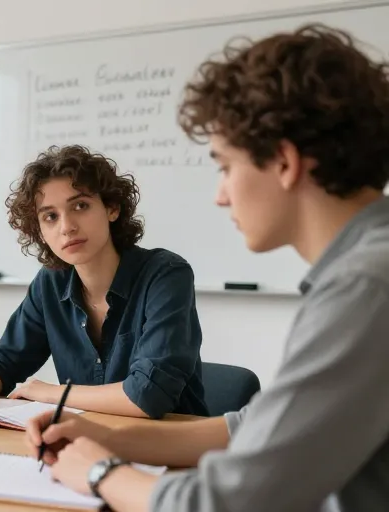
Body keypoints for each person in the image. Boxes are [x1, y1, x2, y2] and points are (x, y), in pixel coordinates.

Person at [25, 24, 389, 511]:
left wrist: (98, 472)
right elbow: (255, 429)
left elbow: (227, 502)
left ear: (283, 162)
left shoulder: (365, 286)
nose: (220, 194)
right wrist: (102, 436)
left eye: (224, 166)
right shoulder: (365, 268)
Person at [0, 145, 207, 418]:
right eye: (50, 216)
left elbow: (149, 395)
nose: (67, 227)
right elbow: (5, 360)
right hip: (86, 442)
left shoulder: (165, 274)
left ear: (111, 208)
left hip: (170, 448)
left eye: (80, 206)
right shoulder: (51, 282)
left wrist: (50, 393)